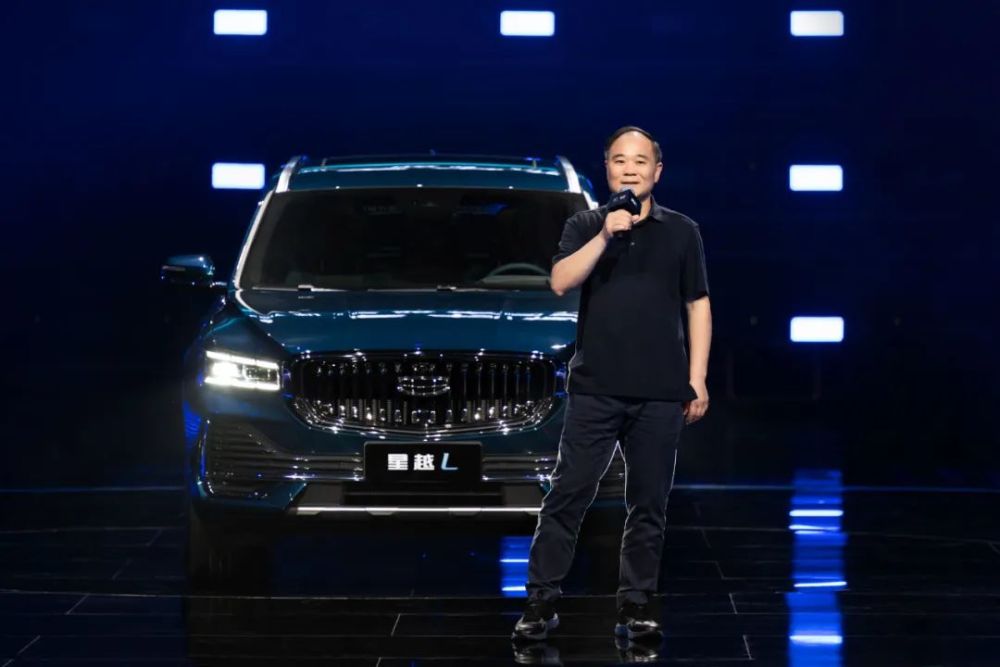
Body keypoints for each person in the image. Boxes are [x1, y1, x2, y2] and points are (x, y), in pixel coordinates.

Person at [513, 126, 712, 642]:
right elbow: (560, 282)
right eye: (620, 160)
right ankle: (540, 602)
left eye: (640, 161)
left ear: (657, 171)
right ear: (607, 169)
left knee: (648, 504)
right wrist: (605, 235)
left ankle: (636, 606)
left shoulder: (682, 231)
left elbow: (697, 303)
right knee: (568, 495)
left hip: (661, 390)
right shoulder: (585, 224)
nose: (630, 169)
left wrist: (697, 378)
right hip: (595, 388)